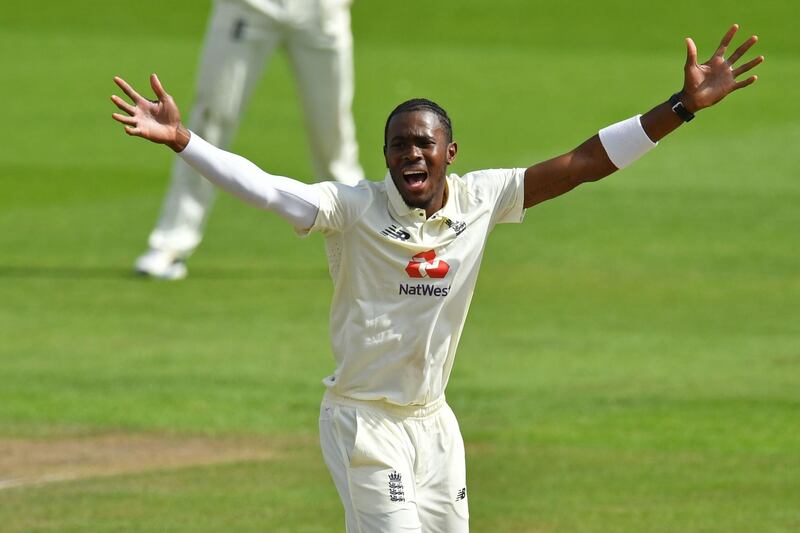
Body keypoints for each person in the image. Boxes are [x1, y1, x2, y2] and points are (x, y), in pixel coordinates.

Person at [111, 24, 762, 532]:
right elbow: (270, 191)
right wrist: (185, 141)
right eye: (399, 144)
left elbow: (585, 161)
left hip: (434, 424)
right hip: (364, 421)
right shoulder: (354, 209)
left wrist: (681, 107)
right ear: (387, 155)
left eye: (424, 143)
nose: (411, 154)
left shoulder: (482, 199)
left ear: (451, 152)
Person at [135, 0, 364, 280]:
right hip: (249, 6)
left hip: (319, 9)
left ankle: (366, 240)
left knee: (332, 130)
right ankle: (172, 242)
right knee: (211, 120)